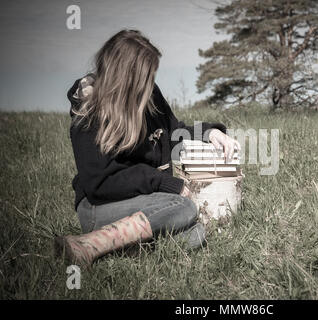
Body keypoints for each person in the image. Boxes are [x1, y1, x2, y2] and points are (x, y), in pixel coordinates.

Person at [54, 29, 240, 266]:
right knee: (183, 207)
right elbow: (99, 185)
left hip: (146, 200)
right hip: (98, 207)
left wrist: (209, 133)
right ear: (127, 78)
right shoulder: (88, 115)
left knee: (197, 234)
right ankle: (92, 243)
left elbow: (173, 133)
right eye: (146, 77)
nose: (151, 83)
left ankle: (116, 249)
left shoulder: (149, 93)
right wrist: (162, 182)